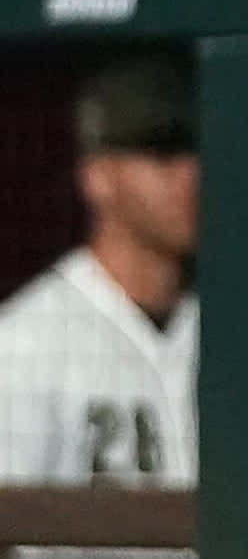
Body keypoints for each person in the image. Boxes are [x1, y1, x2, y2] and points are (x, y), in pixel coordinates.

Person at [0, 55, 196, 487]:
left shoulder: (239, 336)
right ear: (98, 177)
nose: (190, 175)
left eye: (200, 152)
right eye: (162, 154)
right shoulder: (25, 343)